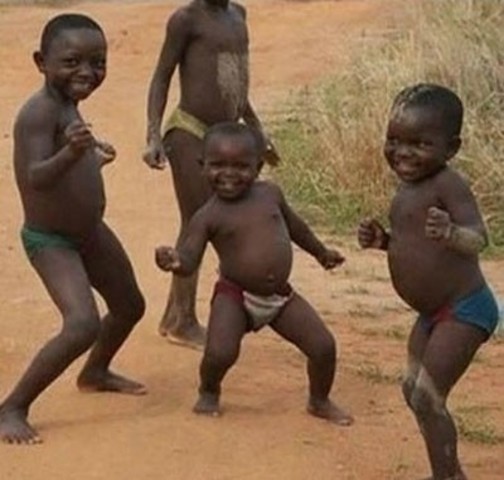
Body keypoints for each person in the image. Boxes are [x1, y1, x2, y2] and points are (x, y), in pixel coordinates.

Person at [0, 14, 146, 445]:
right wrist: (72, 153)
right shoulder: (37, 113)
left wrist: (93, 157)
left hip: (89, 233)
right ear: (40, 62)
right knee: (82, 323)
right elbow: (35, 176)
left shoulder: (66, 105)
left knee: (129, 305)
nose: (87, 72)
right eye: (71, 62)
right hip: (52, 241)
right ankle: (12, 407)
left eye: (98, 62)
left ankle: (95, 371)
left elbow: (68, 164)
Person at [155, 122, 352, 425]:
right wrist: (175, 261)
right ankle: (209, 390)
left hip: (279, 296)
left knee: (323, 346)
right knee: (220, 353)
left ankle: (319, 400)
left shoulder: (270, 195)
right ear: (202, 165)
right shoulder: (207, 215)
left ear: (258, 166)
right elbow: (191, 259)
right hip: (235, 296)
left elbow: (296, 228)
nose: (229, 174)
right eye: (218, 165)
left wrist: (321, 252)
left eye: (240, 166)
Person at [358, 83, 499, 480]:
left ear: (450, 148)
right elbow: (413, 244)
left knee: (427, 397)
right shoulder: (409, 187)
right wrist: (383, 241)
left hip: (464, 310)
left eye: (419, 144)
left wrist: (452, 232)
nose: (402, 152)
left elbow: (479, 239)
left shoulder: (448, 185)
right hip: (432, 314)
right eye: (394, 140)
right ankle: (450, 472)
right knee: (412, 390)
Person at [143, 0, 279, 349]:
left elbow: (237, 85)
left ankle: (175, 316)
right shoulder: (186, 20)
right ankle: (183, 320)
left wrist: (256, 130)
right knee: (199, 221)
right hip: (190, 131)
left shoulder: (239, 15)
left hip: (225, 139)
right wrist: (154, 135)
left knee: (199, 222)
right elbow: (161, 77)